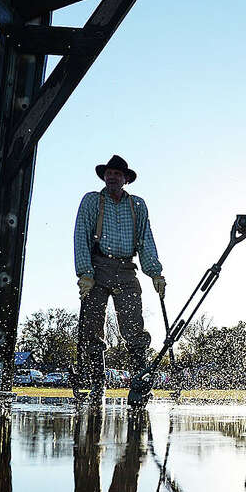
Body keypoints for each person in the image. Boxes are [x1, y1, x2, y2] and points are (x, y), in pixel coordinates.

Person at [74, 154, 167, 406]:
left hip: (127, 269)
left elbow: (145, 240)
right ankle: (96, 381)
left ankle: (140, 377)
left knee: (133, 324)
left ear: (126, 179)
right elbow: (81, 234)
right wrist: (84, 273)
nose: (112, 177)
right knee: (91, 326)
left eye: (117, 174)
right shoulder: (92, 201)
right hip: (98, 266)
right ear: (104, 176)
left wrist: (155, 273)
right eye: (109, 173)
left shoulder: (138, 205)